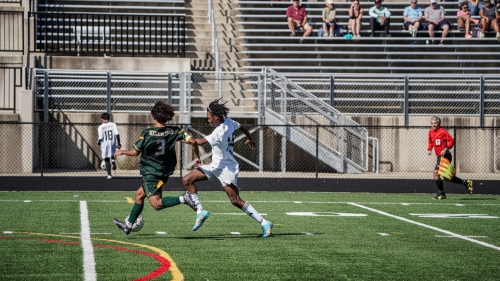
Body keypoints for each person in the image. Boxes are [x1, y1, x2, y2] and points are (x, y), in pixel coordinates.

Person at [182, 98, 274, 238]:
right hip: (215, 166)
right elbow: (242, 126)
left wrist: (180, 136)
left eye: (209, 118)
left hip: (226, 168)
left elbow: (198, 142)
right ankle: (200, 211)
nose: (208, 121)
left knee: (235, 200)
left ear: (216, 117)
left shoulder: (220, 132)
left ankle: (264, 222)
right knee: (187, 180)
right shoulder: (229, 121)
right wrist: (250, 138)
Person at [113, 101, 201, 235]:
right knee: (139, 195)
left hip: (151, 173)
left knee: (156, 204)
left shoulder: (148, 133)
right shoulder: (175, 131)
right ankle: (128, 225)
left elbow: (136, 152)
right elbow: (193, 141)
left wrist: (121, 152)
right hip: (163, 173)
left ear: (154, 117)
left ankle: (184, 198)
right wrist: (196, 157)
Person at [427, 116, 473, 200]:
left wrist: (446, 148)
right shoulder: (430, 132)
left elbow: (452, 140)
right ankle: (465, 183)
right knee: (447, 178)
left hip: (445, 155)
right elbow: (430, 141)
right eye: (432, 123)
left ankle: (441, 194)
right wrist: (430, 149)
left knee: (436, 174)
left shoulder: (442, 131)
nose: (433, 125)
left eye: (435, 123)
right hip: (439, 156)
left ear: (439, 124)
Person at [97, 112, 121, 180]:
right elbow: (117, 134)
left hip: (104, 144)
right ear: (109, 118)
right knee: (112, 153)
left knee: (106, 159)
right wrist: (119, 143)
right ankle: (113, 160)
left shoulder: (100, 127)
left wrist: (98, 143)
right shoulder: (113, 124)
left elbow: (100, 137)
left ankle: (109, 174)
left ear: (102, 119)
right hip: (112, 143)